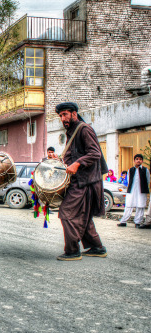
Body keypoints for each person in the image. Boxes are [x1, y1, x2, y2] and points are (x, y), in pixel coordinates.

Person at [56, 102, 108, 260]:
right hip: (80, 180)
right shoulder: (72, 131)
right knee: (83, 215)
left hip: (85, 181)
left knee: (67, 214)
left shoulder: (83, 129)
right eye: (60, 116)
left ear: (74, 114)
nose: (63, 118)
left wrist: (77, 164)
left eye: (65, 114)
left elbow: (95, 153)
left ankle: (72, 251)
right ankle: (97, 248)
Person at [117, 154, 150, 228]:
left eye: (140, 159)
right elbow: (128, 180)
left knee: (140, 206)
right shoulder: (130, 170)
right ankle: (123, 221)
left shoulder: (145, 170)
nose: (138, 160)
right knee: (129, 205)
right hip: (131, 191)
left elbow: (148, 180)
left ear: (142, 161)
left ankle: (137, 222)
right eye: (137, 159)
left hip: (141, 191)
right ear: (134, 160)